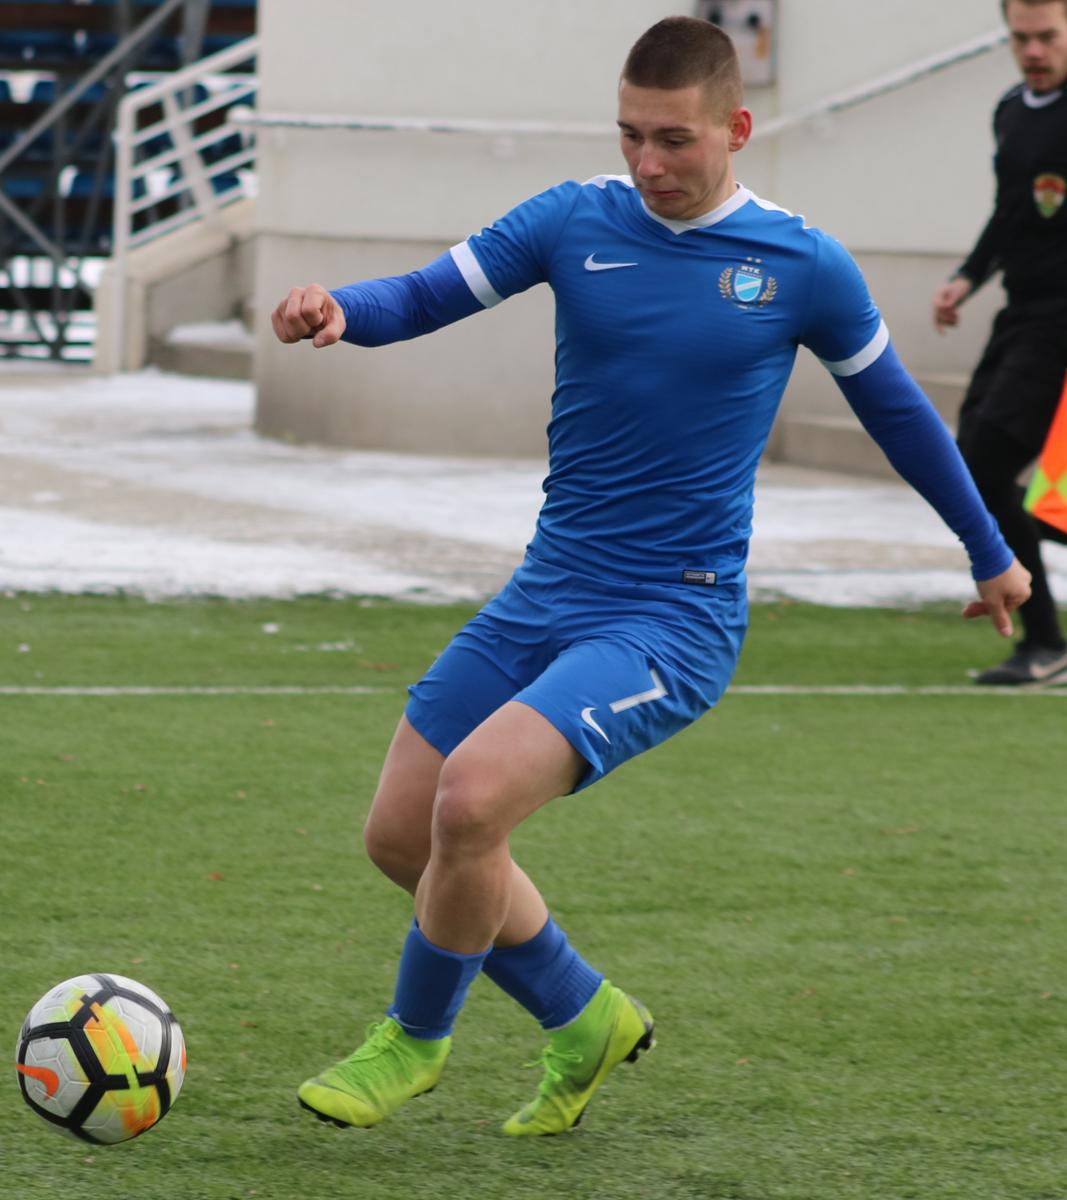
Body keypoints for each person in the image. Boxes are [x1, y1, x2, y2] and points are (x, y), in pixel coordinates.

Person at [272, 16, 1031, 1137]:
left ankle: (413, 1041)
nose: (646, 163)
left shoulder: (801, 265)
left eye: (673, 139)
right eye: (629, 135)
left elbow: (898, 414)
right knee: (399, 835)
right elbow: (428, 294)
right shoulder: (573, 218)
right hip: (548, 589)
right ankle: (584, 1018)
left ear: (735, 128)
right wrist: (340, 308)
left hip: (672, 617)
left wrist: (988, 549)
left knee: (469, 802)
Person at [932, 0, 1067, 686]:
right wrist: (967, 278)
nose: (1033, 50)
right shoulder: (1012, 110)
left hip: (1059, 323)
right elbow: (1011, 212)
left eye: (1047, 36)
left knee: (986, 465)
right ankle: (1044, 639)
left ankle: (1043, 642)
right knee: (972, 468)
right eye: (1021, 38)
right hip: (1022, 313)